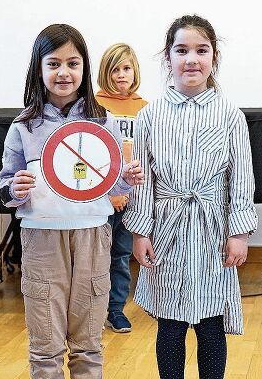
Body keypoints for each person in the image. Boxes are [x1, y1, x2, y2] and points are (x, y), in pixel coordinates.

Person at [0, 23, 144, 378]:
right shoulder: (23, 126)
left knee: (88, 343)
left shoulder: (102, 121)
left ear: (84, 68)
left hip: (93, 235)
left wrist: (126, 179)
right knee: (45, 345)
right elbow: (4, 185)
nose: (63, 72)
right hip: (42, 237)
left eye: (73, 63)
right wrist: (14, 189)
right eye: (53, 63)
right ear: (39, 68)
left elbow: (112, 186)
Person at [123, 15, 257, 379]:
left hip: (212, 229)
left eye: (201, 50)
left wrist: (239, 232)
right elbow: (144, 179)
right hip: (166, 229)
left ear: (214, 57)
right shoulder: (149, 115)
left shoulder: (230, 115)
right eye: (181, 50)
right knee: (170, 322)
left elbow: (241, 179)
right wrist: (140, 231)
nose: (191, 59)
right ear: (168, 57)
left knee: (211, 322)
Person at [94, 43, 148, 333]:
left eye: (126, 68)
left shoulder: (144, 107)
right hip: (102, 198)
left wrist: (128, 193)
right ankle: (93, 310)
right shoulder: (94, 105)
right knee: (95, 258)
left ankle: (116, 310)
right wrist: (112, 192)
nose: (120, 75)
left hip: (132, 199)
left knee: (121, 256)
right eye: (114, 69)